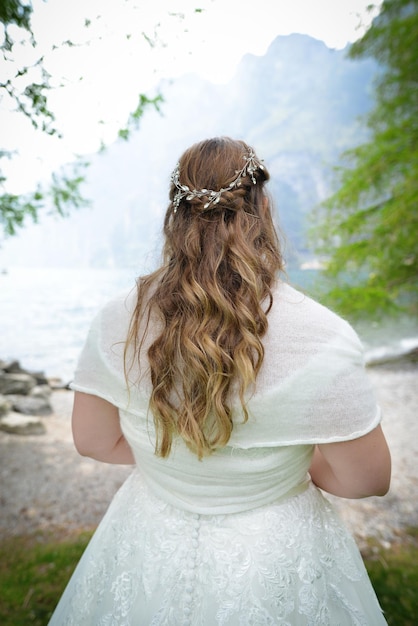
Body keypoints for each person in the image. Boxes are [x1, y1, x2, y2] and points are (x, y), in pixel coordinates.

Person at [48, 137, 391, 625]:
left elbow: (92, 441)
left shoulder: (115, 321)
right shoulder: (325, 337)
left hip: (147, 532)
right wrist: (291, 463)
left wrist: (173, 459)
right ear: (264, 209)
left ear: (175, 217)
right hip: (276, 549)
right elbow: (366, 481)